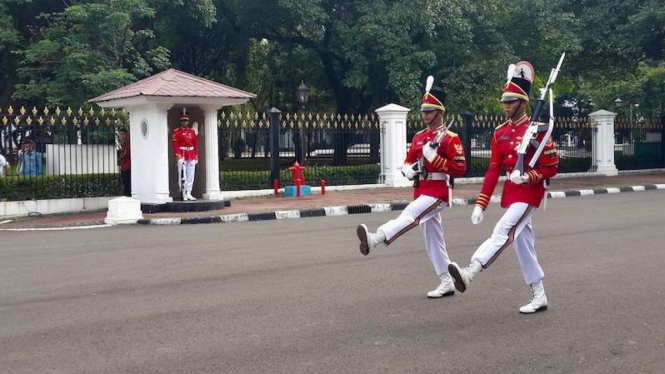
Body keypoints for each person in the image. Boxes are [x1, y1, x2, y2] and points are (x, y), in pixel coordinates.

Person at [448, 61, 559, 314]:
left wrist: (529, 177)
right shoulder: (499, 133)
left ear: (523, 103)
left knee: (504, 229)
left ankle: (470, 271)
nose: (505, 105)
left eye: (511, 101)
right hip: (512, 192)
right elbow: (493, 169)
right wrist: (481, 203)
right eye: (504, 101)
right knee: (523, 244)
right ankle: (539, 294)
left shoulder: (538, 131)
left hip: (530, 192)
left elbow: (551, 167)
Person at [356, 77, 467, 298]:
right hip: (421, 189)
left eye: (430, 111)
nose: (425, 115)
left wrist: (435, 159)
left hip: (438, 191)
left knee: (411, 214)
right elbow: (409, 160)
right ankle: (446, 280)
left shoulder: (450, 139)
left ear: (440, 112)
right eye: (423, 110)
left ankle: (376, 238)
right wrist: (408, 169)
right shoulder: (418, 137)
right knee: (433, 239)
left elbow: (460, 168)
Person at [172, 112, 198, 201]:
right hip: (182, 154)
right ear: (180, 122)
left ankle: (189, 192)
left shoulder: (192, 131)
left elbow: (195, 144)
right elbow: (175, 144)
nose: (184, 122)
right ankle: (183, 193)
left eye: (186, 121)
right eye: (183, 121)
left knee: (191, 175)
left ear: (188, 121)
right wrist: (178, 155)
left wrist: (196, 155)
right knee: (183, 175)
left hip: (190, 154)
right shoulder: (177, 131)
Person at [119, 128, 131, 197]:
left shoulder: (129, 144)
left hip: (128, 167)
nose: (122, 136)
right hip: (124, 167)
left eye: (123, 134)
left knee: (128, 186)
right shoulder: (123, 144)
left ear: (127, 134)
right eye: (121, 135)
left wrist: (122, 156)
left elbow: (126, 154)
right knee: (125, 184)